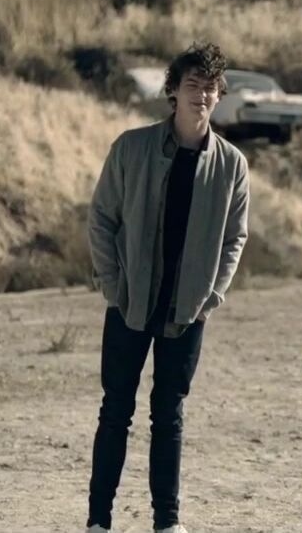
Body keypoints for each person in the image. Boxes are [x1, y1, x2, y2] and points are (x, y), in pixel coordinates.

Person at [85, 42, 250, 533]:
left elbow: (235, 238)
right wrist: (113, 286)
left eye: (210, 87)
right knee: (115, 411)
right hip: (130, 301)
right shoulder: (131, 148)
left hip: (187, 307)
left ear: (219, 95)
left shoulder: (232, 165)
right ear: (173, 91)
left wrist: (211, 298)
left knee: (169, 414)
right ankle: (98, 521)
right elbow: (102, 219)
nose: (201, 95)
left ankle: (167, 523)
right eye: (192, 84)